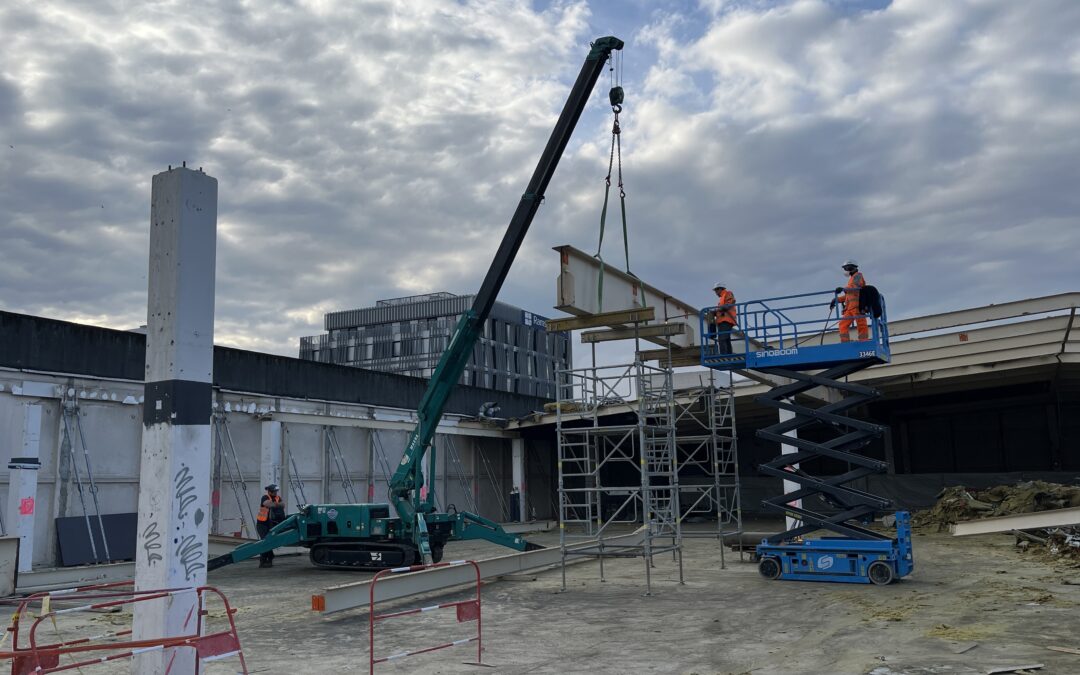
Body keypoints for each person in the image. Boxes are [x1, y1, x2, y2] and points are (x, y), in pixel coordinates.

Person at [832, 260, 868, 342]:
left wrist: (843, 289)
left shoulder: (858, 276)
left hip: (857, 306)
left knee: (861, 324)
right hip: (850, 308)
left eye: (846, 268)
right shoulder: (852, 278)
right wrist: (836, 300)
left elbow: (854, 288)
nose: (845, 270)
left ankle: (863, 341)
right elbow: (848, 295)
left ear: (851, 267)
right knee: (842, 324)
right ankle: (845, 343)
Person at [256, 484, 285, 568]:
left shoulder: (278, 498)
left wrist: (274, 504)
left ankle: (269, 559)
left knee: (269, 542)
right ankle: (264, 560)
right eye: (274, 491)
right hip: (262, 524)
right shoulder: (265, 497)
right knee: (265, 542)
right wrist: (277, 504)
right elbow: (268, 504)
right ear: (270, 491)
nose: (276, 493)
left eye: (276, 491)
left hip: (272, 524)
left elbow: (283, 505)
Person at [712, 281, 737, 355]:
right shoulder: (722, 298)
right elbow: (723, 307)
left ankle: (724, 356)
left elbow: (729, 304)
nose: (715, 292)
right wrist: (715, 312)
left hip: (726, 320)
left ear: (720, 289)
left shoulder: (728, 293)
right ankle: (728, 355)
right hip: (723, 320)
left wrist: (718, 309)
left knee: (722, 339)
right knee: (726, 339)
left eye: (716, 290)